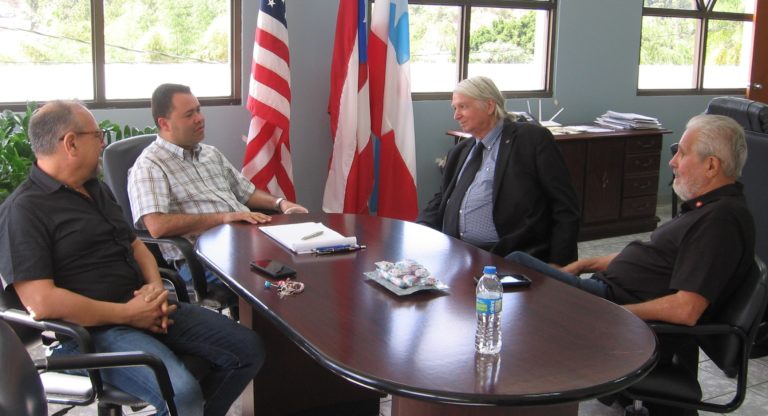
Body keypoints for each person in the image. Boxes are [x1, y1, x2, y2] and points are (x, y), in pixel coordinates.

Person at [0, 100, 264, 416]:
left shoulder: (95, 189)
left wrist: (154, 286)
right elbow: (42, 302)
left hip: (144, 305)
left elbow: (136, 246)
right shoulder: (23, 211)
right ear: (71, 143)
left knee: (249, 349)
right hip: (90, 332)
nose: (102, 143)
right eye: (96, 136)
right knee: (180, 392)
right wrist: (128, 314)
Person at [507, 114, 754, 415]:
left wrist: (615, 315)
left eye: (682, 153)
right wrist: (583, 262)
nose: (673, 162)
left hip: (614, 309)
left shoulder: (720, 222)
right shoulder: (706, 210)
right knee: (519, 272)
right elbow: (655, 258)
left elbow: (686, 309)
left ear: (712, 165)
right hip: (608, 293)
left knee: (516, 266)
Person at [128, 83, 308, 285]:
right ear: (165, 123)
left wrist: (280, 203)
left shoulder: (210, 153)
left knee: (308, 257)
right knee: (278, 281)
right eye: (189, 115)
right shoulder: (149, 166)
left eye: (198, 110)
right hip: (203, 258)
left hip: (247, 243)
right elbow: (157, 226)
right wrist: (224, 218)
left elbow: (246, 192)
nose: (199, 118)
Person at [417, 76, 580, 265]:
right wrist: (421, 229)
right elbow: (442, 198)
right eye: (455, 108)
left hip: (513, 256)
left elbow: (564, 206)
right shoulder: (460, 151)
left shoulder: (531, 140)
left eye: (463, 107)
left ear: (489, 106)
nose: (456, 115)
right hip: (458, 255)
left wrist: (559, 264)